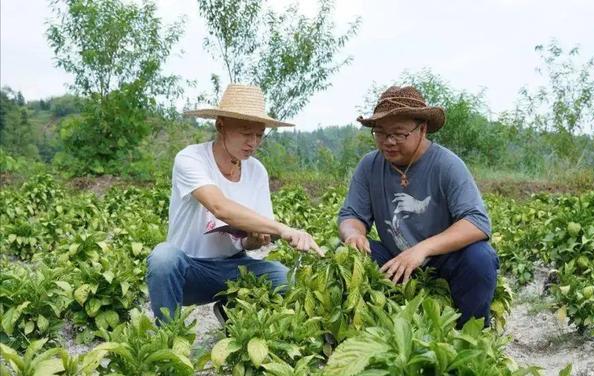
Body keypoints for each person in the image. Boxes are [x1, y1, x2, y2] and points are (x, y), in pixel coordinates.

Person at [147, 84, 323, 323]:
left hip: (233, 267)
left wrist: (253, 239)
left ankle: (231, 309)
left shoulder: (256, 171)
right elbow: (219, 207)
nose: (253, 142)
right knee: (163, 258)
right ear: (221, 125)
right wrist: (284, 229)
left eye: (259, 135)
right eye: (245, 132)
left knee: (286, 279)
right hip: (190, 271)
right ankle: (166, 338)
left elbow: (249, 242)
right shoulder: (190, 158)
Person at [338, 85, 498, 327]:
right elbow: (352, 214)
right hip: (396, 259)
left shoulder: (447, 165)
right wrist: (354, 234)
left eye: (399, 134)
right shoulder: (369, 166)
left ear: (422, 129)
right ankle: (371, 326)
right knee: (349, 255)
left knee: (480, 258)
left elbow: (477, 222)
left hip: (444, 260)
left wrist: (421, 250)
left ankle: (472, 333)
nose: (388, 142)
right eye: (380, 133)